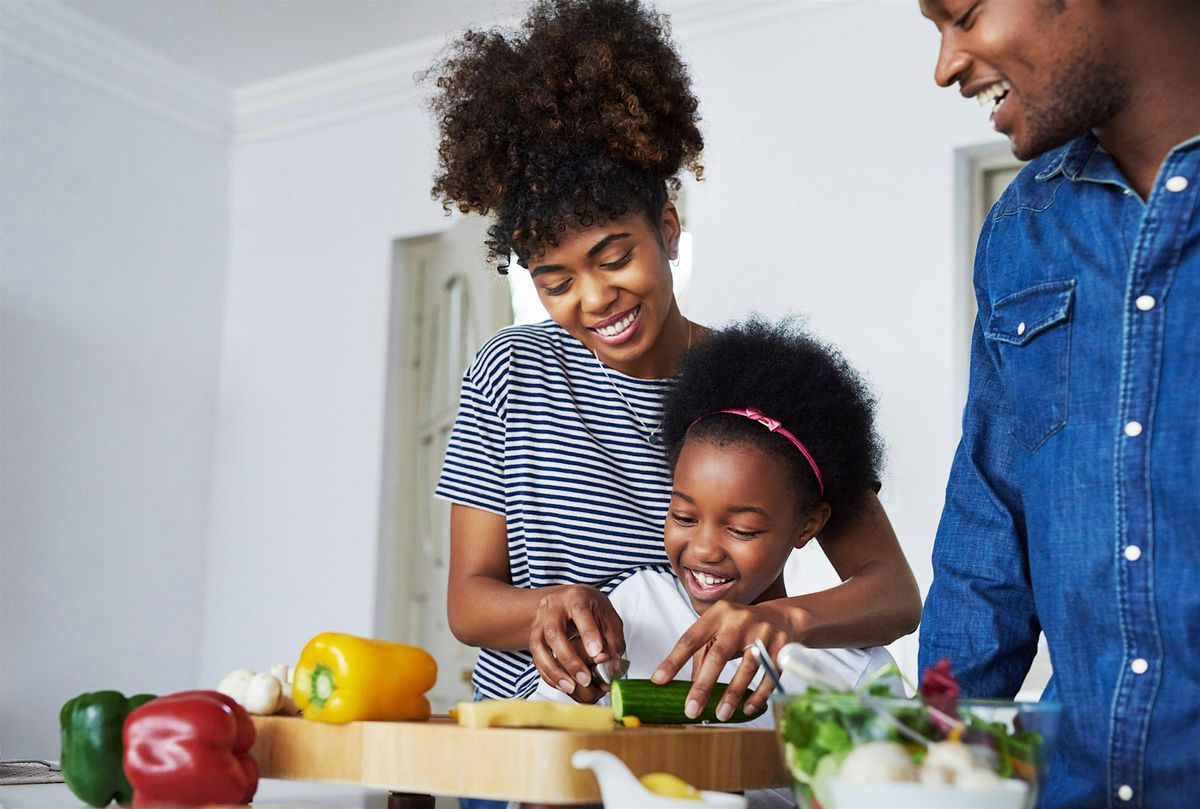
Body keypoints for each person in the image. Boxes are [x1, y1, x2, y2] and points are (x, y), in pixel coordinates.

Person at [429, 0, 920, 729]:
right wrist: (550, 606)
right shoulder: (511, 370)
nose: (594, 300)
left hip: (706, 739)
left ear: (667, 230)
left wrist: (779, 619)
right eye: (554, 280)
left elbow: (892, 594)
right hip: (532, 734)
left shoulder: (757, 389)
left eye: (614, 257)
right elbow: (470, 602)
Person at [916, 1, 1200, 807]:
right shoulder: (1020, 228)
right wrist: (927, 757)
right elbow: (983, 549)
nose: (946, 64)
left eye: (963, 14)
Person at [531, 318, 897, 722]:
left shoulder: (853, 672)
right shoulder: (636, 607)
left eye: (742, 530)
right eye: (683, 516)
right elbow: (539, 746)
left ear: (808, 526)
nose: (703, 548)